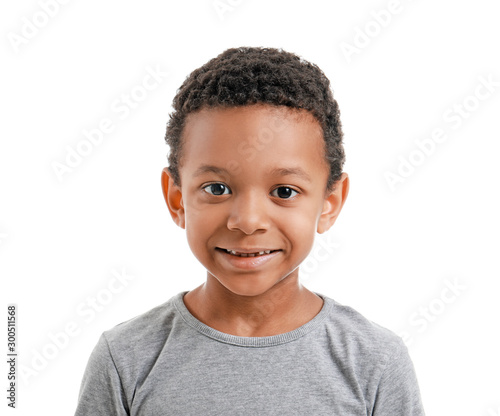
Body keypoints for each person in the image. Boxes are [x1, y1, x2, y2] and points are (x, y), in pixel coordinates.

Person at [74, 46, 425, 415]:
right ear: (177, 199)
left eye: (284, 192)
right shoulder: (126, 360)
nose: (247, 220)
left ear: (329, 202)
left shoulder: (375, 363)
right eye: (216, 189)